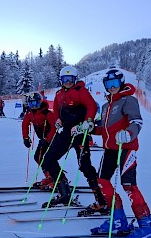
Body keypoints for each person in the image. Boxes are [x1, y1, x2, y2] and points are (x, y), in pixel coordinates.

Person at [89, 67, 151, 238]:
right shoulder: (106, 106)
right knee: (103, 182)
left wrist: (129, 133)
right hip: (110, 150)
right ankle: (118, 219)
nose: (112, 87)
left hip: (126, 148)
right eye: (108, 84)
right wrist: (92, 128)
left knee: (129, 185)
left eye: (115, 83)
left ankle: (147, 228)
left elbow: (136, 121)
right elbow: (104, 129)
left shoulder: (128, 100)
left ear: (121, 83)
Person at [40, 66, 107, 208]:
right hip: (65, 132)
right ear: (61, 80)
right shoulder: (59, 94)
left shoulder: (80, 91)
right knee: (48, 159)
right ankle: (64, 193)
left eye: (70, 79)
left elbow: (92, 106)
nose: (68, 82)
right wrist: (57, 119)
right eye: (65, 79)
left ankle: (101, 199)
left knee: (85, 166)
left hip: (79, 132)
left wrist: (88, 121)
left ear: (75, 79)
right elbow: (56, 109)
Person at [21, 92, 56, 190]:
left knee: (49, 159)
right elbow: (24, 124)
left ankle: (57, 178)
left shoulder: (47, 113)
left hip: (52, 138)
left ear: (40, 103)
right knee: (38, 157)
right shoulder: (30, 114)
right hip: (43, 139)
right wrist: (26, 138)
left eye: (36, 103)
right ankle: (49, 176)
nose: (34, 106)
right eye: (31, 104)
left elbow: (54, 128)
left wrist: (47, 139)